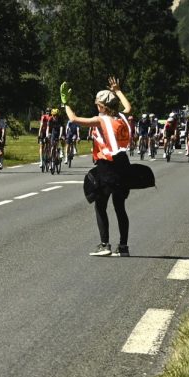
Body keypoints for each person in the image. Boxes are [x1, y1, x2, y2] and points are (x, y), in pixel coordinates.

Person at [62, 76, 133, 257]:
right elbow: (129, 107)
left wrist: (65, 103)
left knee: (100, 205)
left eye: (97, 104)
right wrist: (117, 90)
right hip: (124, 164)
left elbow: (74, 119)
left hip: (106, 165)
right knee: (120, 207)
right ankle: (123, 247)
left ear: (102, 107)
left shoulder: (101, 120)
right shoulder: (122, 117)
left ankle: (105, 245)